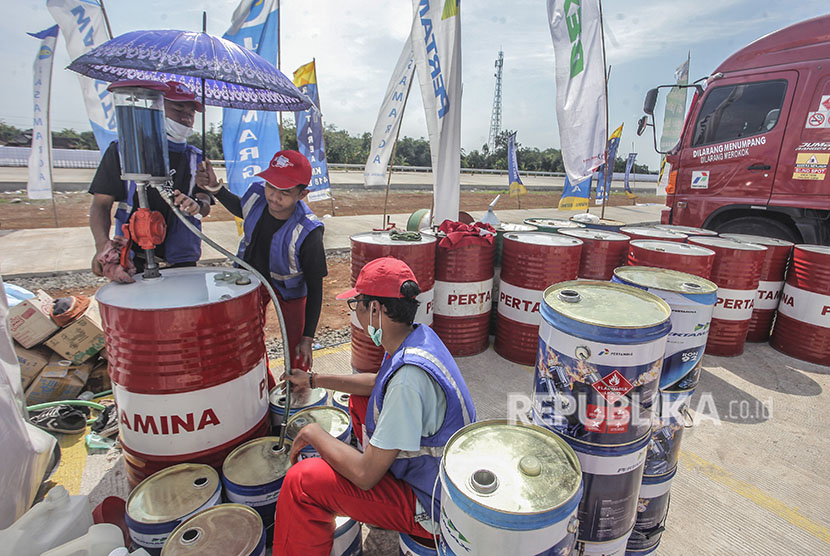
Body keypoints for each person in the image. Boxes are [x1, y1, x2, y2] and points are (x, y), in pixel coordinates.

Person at [272, 257, 477, 555]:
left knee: (304, 481)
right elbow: (376, 383)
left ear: (377, 310)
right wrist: (313, 379)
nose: (357, 314)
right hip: (438, 476)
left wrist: (314, 433)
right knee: (360, 400)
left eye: (358, 305)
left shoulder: (408, 382)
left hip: (431, 504)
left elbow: (366, 477)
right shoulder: (416, 337)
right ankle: (376, 466)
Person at [198, 150, 326, 370]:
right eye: (270, 186)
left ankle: (297, 388)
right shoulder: (257, 196)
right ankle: (261, 382)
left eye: (284, 192)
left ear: (302, 194)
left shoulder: (308, 232)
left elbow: (315, 288)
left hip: (290, 291)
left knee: (296, 347)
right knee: (247, 338)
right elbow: (243, 209)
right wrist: (216, 189)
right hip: (250, 280)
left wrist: (308, 338)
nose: (274, 197)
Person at [89, 81, 211, 276]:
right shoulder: (124, 152)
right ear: (156, 107)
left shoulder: (197, 158)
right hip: (132, 253)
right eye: (178, 107)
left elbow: (205, 203)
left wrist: (197, 204)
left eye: (191, 111)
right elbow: (101, 204)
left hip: (182, 256)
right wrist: (102, 246)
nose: (186, 116)